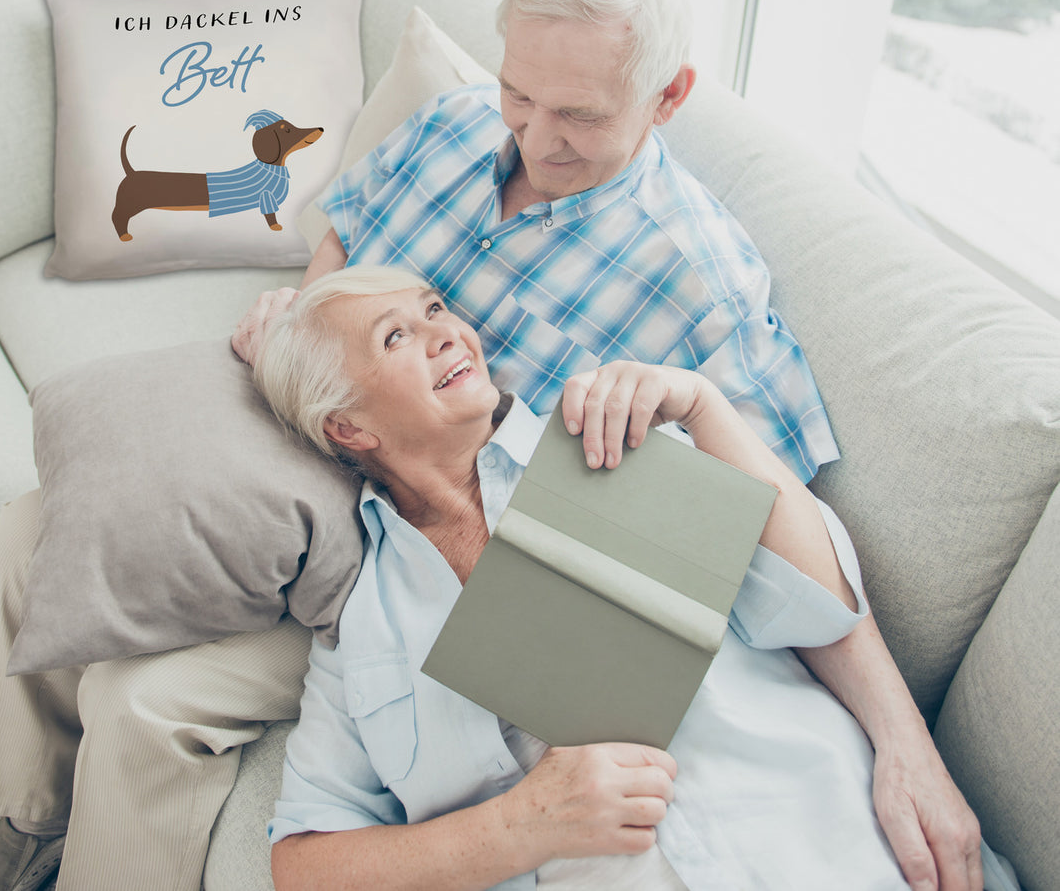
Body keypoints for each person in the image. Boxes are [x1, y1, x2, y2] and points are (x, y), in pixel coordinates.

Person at [235, 0, 982, 890]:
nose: (535, 140)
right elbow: (347, 227)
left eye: (578, 115)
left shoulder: (676, 339)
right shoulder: (454, 127)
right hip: (338, 510)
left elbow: (791, 564)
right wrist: (308, 334)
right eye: (520, 95)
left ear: (668, 97)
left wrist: (904, 746)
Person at [253, 266, 1006, 891]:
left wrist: (704, 407)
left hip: (830, 843)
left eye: (435, 309)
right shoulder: (362, 629)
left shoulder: (608, 439)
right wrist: (520, 826)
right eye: (396, 336)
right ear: (348, 427)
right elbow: (304, 865)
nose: (447, 332)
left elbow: (818, 606)